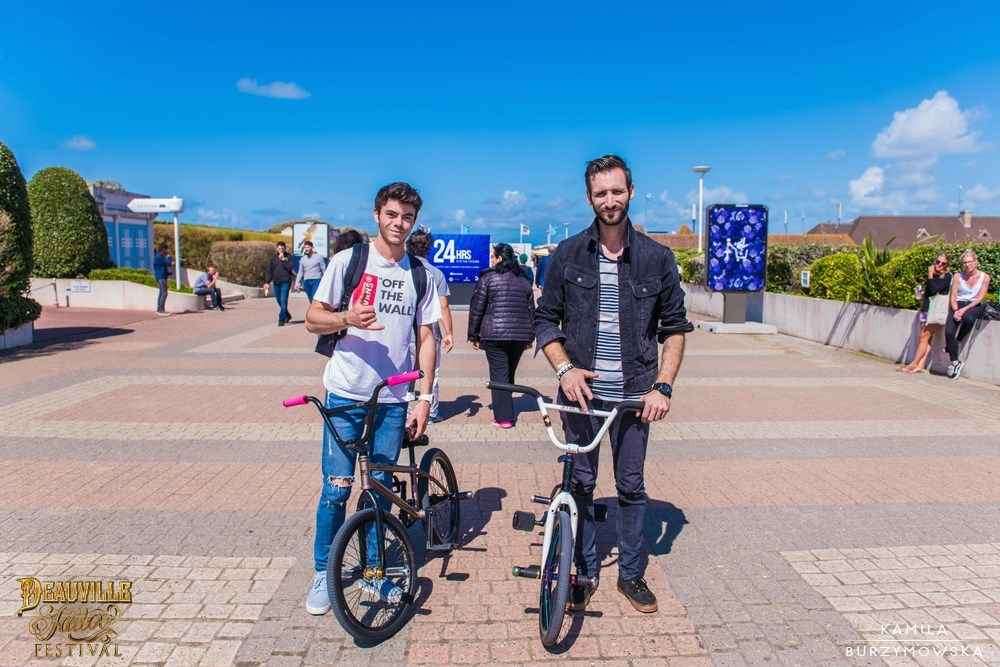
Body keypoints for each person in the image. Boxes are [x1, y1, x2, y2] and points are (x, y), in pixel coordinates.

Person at [535, 154, 693, 614]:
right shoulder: (567, 255)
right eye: (601, 193)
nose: (610, 201)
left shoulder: (657, 258)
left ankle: (630, 574)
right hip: (581, 396)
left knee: (631, 486)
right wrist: (565, 370)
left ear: (631, 192)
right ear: (589, 198)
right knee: (581, 484)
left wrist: (663, 387)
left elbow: (675, 329)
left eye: (617, 191)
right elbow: (545, 320)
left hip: (636, 396)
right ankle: (583, 572)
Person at [302, 181, 439, 615]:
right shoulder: (350, 261)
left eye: (407, 217)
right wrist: (346, 317)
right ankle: (324, 572)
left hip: (393, 400)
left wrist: (424, 398)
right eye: (392, 215)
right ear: (377, 215)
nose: (399, 224)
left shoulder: (420, 274)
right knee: (336, 490)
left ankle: (376, 572)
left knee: (379, 490)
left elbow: (427, 338)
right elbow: (312, 318)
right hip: (346, 392)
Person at [468, 243, 535, 428]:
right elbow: (531, 310)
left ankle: (504, 417)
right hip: (519, 336)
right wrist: (530, 336)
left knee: (499, 374)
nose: (491, 259)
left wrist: (473, 335)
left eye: (493, 256)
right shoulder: (523, 280)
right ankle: (504, 402)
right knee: (507, 372)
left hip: (494, 334)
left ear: (498, 258)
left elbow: (477, 307)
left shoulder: (488, 278)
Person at [406, 228, 455, 423]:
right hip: (431, 331)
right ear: (428, 249)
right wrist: (449, 332)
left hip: (405, 331)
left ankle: (405, 411)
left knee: (406, 373)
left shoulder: (403, 270)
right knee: (431, 371)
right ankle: (432, 411)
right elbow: (443, 306)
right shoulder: (436, 273)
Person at [898, 254, 950, 374]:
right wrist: (921, 295)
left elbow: (934, 289)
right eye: (938, 262)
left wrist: (930, 274)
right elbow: (929, 292)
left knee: (924, 337)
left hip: (935, 312)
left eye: (943, 263)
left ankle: (913, 363)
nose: (939, 265)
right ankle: (920, 365)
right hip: (926, 310)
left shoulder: (947, 276)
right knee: (927, 338)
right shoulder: (935, 275)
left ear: (947, 265)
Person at [946, 249, 991, 379]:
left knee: (969, 318)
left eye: (970, 262)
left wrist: (963, 310)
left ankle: (958, 341)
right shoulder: (957, 276)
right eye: (964, 262)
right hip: (957, 304)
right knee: (949, 332)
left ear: (976, 262)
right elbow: (953, 296)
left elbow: (979, 298)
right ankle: (955, 362)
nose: (967, 265)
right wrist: (956, 310)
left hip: (974, 304)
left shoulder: (985, 277)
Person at [264, 241, 295, 326]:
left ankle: (281, 319)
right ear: (277, 248)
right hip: (276, 282)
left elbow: (291, 268)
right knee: (279, 301)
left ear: (285, 248)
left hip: (286, 281)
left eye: (282, 248)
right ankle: (287, 315)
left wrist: (284, 260)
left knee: (283, 300)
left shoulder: (289, 257)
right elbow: (269, 271)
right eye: (279, 248)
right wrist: (267, 282)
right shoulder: (273, 258)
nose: (280, 249)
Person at [153, 244, 172, 314]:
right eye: (166, 249)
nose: (167, 251)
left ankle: (159, 309)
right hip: (161, 277)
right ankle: (161, 310)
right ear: (163, 249)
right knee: (164, 293)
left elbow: (164, 266)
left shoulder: (158, 256)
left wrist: (168, 273)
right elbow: (168, 263)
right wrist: (169, 257)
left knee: (161, 293)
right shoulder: (160, 257)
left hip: (161, 276)